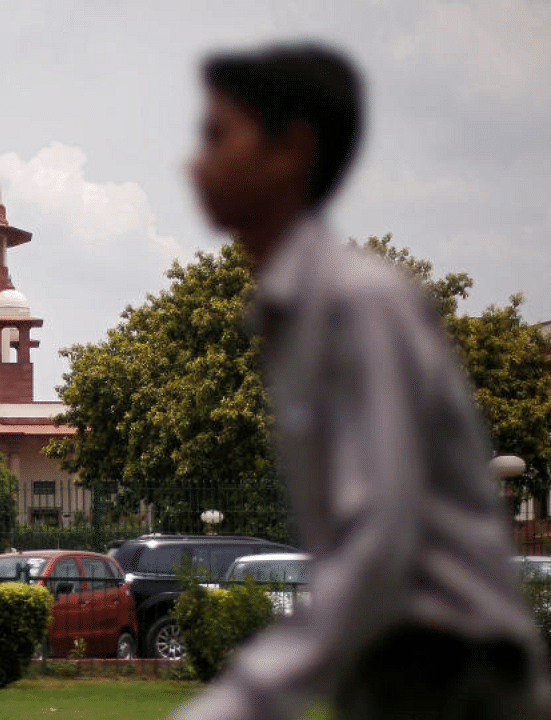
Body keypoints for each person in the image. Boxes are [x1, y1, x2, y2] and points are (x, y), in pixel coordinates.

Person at [176, 43, 548, 720]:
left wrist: (245, 698)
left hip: (455, 674)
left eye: (216, 135)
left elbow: (381, 536)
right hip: (392, 672)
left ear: (291, 150)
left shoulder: (356, 305)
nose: (193, 163)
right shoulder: (293, 314)